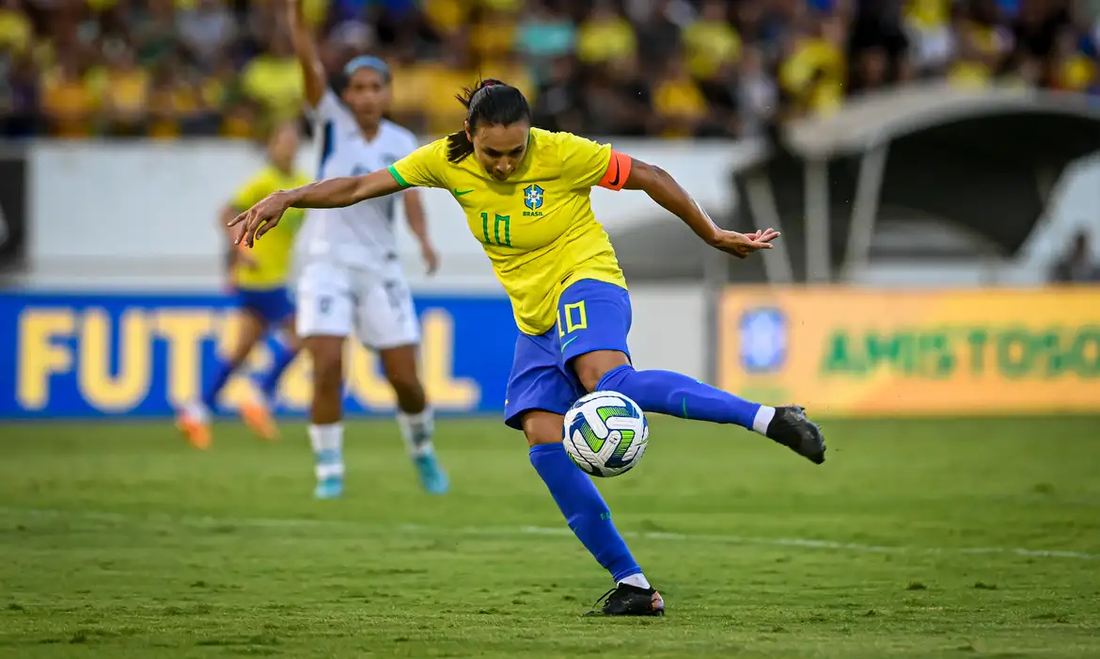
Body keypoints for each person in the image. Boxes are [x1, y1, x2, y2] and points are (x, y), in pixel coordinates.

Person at [229, 80, 827, 615]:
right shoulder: (445, 159)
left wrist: (712, 233)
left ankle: (771, 417)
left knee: (608, 383)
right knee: (544, 438)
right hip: (536, 318)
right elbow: (361, 184)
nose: (507, 164)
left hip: (587, 281)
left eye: (516, 152)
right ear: (470, 136)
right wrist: (289, 196)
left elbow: (648, 175)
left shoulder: (562, 151)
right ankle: (635, 585)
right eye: (494, 153)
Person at [285, 0, 447, 500]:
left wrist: (421, 237)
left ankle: (421, 448)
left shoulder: (402, 140)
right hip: (327, 264)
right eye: (358, 88)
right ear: (346, 94)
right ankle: (328, 469)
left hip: (380, 268)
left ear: (387, 92)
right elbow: (307, 62)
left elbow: (412, 196)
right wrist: (296, 14)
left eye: (376, 87)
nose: (367, 96)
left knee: (406, 380)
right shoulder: (330, 120)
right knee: (327, 365)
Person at [176, 121, 309, 450]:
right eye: (283, 141)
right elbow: (226, 214)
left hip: (274, 276)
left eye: (294, 141)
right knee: (302, 333)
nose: (289, 147)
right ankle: (260, 396)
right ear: (272, 146)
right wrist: (238, 254)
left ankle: (197, 410)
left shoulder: (302, 183)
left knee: (240, 352)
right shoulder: (263, 182)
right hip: (262, 277)